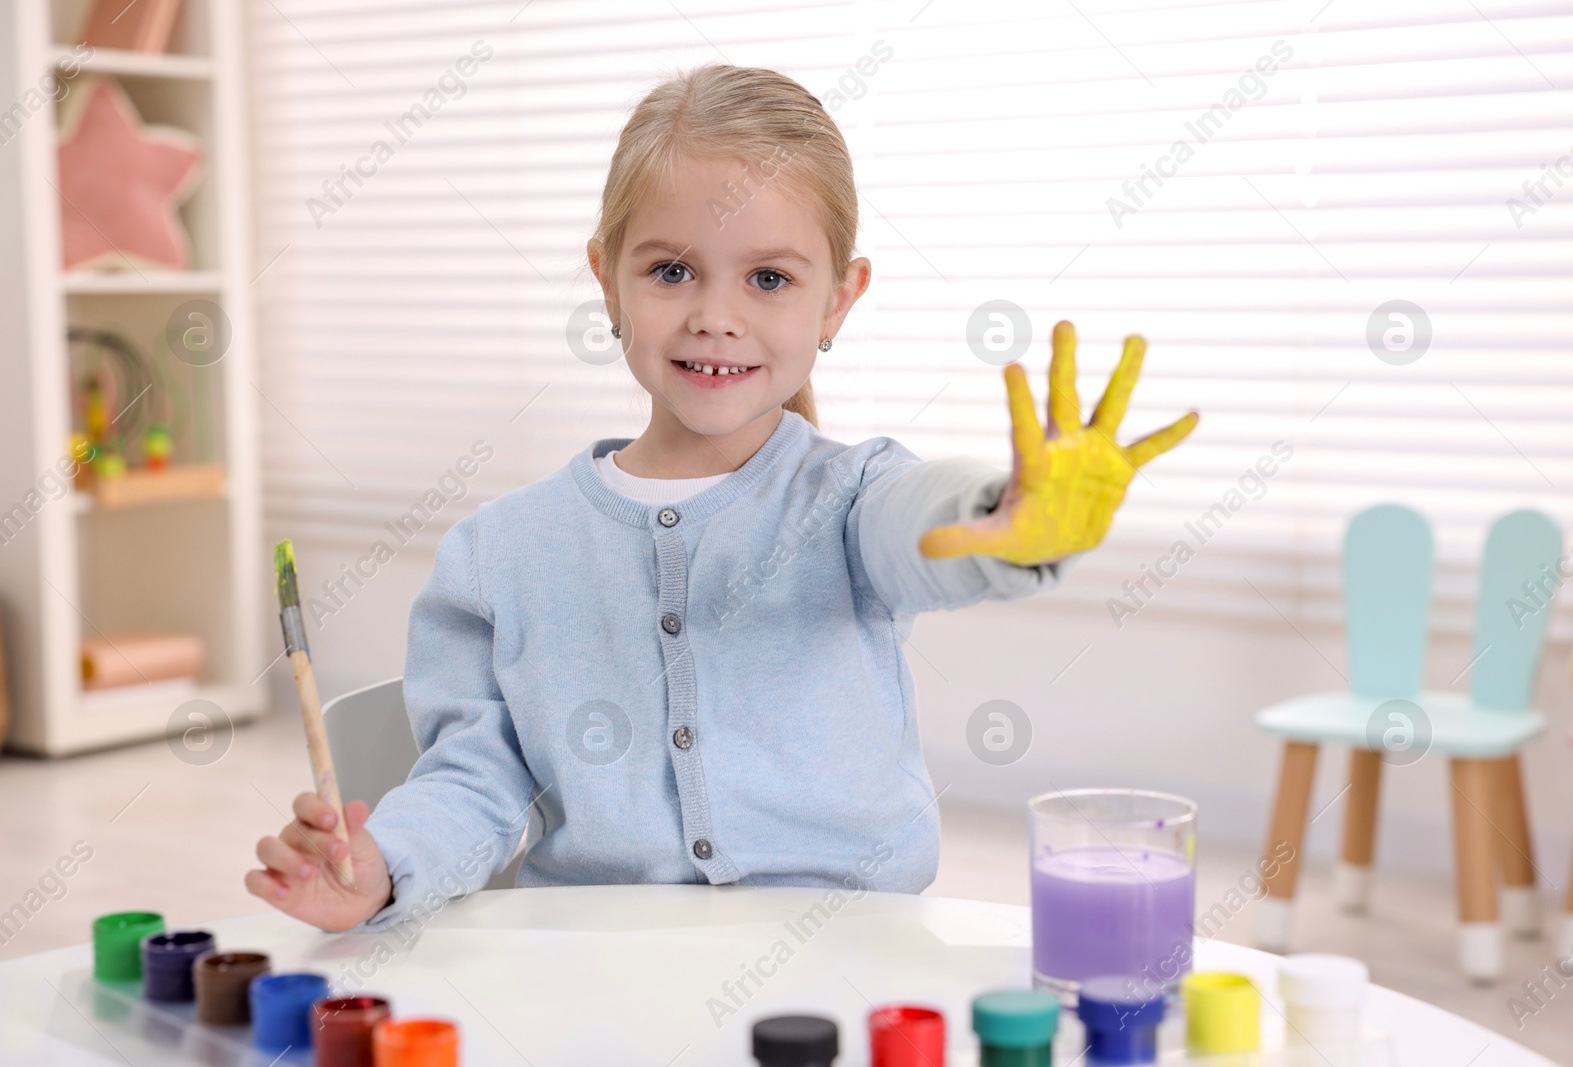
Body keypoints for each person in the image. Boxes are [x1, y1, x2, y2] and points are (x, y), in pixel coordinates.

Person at [245, 64, 1198, 933]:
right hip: (602, 964)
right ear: (605, 279)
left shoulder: (852, 498)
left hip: (848, 956)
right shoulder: (500, 553)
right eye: (671, 271)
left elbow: (922, 521)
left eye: (770, 278)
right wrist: (383, 864)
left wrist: (1002, 517)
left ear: (837, 300)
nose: (716, 315)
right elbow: (477, 781)